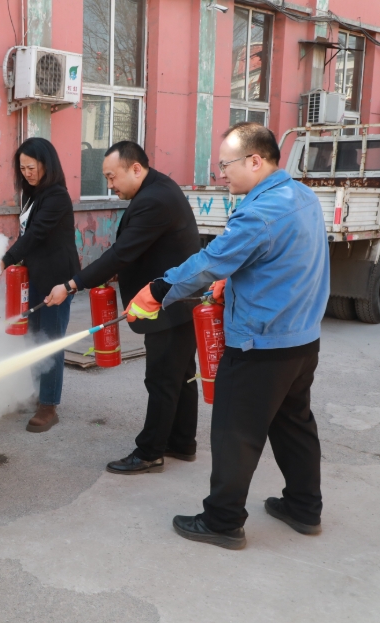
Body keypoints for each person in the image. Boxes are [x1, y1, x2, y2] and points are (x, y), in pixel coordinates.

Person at [124, 122, 330, 550]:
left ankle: (222, 521)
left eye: (225, 164)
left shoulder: (259, 212)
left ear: (254, 161)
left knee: (235, 432)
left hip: (259, 344)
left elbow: (210, 260)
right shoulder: (301, 196)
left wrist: (158, 290)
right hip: (301, 339)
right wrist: (231, 282)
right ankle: (304, 507)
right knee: (294, 424)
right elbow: (280, 259)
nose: (221, 174)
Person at [45, 141, 201, 474]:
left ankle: (150, 452)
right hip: (179, 301)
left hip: (167, 305)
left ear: (136, 169)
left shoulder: (155, 199)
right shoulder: (158, 189)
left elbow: (122, 252)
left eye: (112, 177)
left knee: (162, 379)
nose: (109, 185)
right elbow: (143, 249)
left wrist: (72, 284)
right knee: (181, 375)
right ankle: (182, 441)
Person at [1, 137, 81, 433]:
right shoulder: (33, 194)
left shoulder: (56, 196)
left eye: (31, 168)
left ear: (46, 164)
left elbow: (35, 234)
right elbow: (26, 233)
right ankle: (38, 393)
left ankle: (49, 405)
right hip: (35, 277)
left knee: (50, 341)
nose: (27, 174)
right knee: (33, 337)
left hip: (57, 280)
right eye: (22, 169)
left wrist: (5, 260)